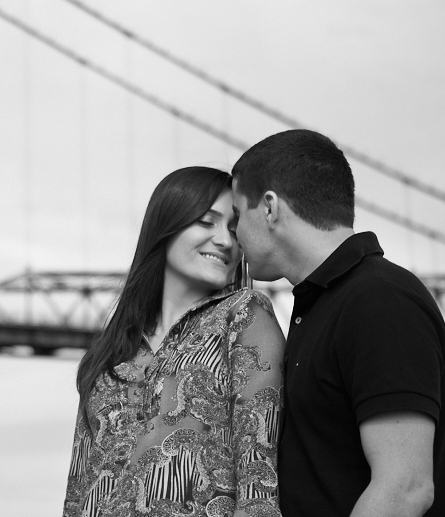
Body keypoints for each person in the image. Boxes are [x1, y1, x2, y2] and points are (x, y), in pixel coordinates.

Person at [230, 129, 445, 517]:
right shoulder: (321, 304)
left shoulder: (380, 300)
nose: (233, 234)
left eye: (236, 214)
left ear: (269, 208)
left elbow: (406, 487)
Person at [63, 166, 285, 517]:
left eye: (233, 229)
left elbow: (260, 482)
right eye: (206, 221)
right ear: (166, 225)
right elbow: (77, 494)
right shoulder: (109, 354)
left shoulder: (243, 316)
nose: (225, 241)